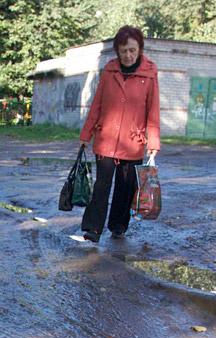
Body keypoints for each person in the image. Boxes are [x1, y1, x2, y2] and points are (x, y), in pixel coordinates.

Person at [78, 25, 160, 242]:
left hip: (133, 142)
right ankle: (93, 229)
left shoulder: (150, 73)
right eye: (123, 50)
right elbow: (97, 104)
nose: (128, 55)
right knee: (101, 186)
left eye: (132, 50)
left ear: (139, 49)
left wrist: (153, 142)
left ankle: (118, 226)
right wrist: (86, 135)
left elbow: (153, 110)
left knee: (125, 188)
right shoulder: (110, 71)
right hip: (106, 139)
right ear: (117, 51)